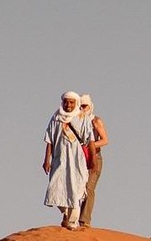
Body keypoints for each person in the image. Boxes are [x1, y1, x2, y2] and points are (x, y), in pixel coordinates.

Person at [43, 91, 92, 230]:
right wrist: (47, 159)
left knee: (76, 188)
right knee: (56, 186)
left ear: (76, 103)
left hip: (77, 160)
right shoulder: (56, 117)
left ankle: (72, 221)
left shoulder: (83, 118)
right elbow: (49, 140)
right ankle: (66, 214)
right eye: (66, 102)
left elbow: (90, 140)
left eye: (71, 102)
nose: (68, 105)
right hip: (60, 159)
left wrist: (92, 159)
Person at [77, 93, 109, 228]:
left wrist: (90, 145)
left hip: (94, 157)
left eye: (84, 106)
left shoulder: (95, 121)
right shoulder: (76, 121)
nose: (82, 109)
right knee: (78, 188)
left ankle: (84, 221)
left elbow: (105, 140)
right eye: (80, 106)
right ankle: (73, 218)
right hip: (79, 158)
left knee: (89, 188)